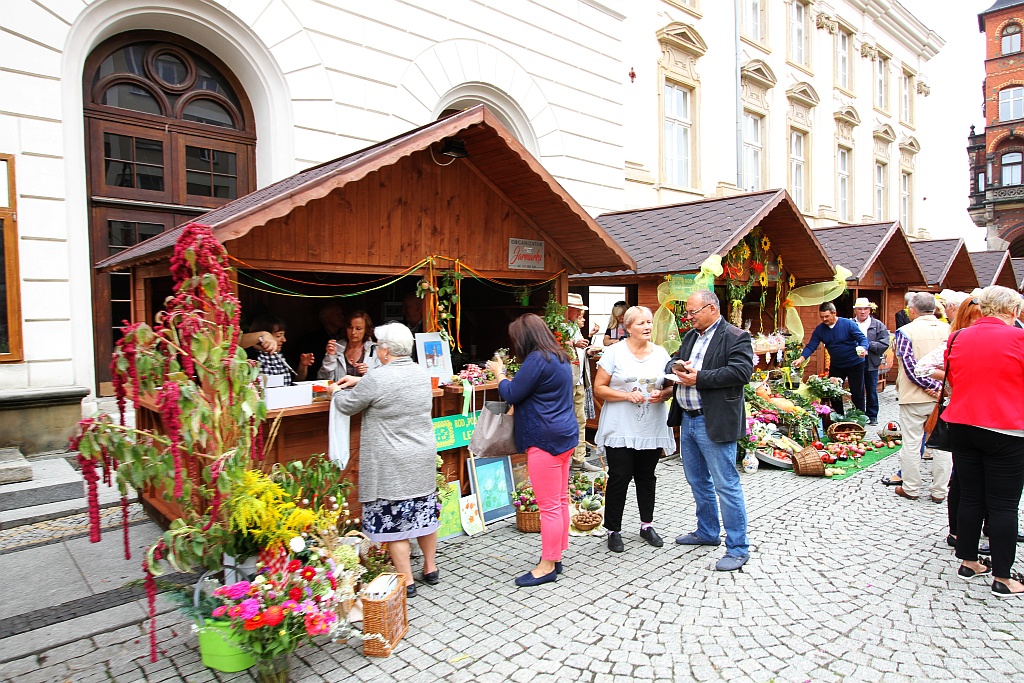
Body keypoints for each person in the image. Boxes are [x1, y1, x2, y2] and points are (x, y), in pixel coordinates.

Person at [329, 323, 439, 598]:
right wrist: (361, 382)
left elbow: (347, 405)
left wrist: (336, 390)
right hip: (421, 455)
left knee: (395, 525)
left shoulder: (378, 379)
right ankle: (430, 567)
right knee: (422, 513)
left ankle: (407, 581)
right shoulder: (420, 374)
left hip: (391, 462)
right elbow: (386, 388)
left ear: (386, 350)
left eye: (378, 346)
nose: (377, 350)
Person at [941, 286, 1024, 597]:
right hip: (1006, 427)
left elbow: (952, 379)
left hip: (963, 423)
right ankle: (1003, 577)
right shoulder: (1019, 338)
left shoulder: (958, 336)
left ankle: (969, 560)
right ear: (1013, 311)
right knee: (1003, 504)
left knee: (971, 495)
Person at [486, 314, 577, 587]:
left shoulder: (537, 359)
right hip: (564, 435)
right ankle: (556, 554)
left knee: (549, 506)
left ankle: (547, 565)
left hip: (544, 438)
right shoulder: (559, 356)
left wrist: (499, 373)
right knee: (559, 500)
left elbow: (511, 393)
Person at [666, 290, 754, 572]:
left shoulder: (735, 336)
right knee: (697, 481)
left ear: (712, 309)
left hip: (714, 421)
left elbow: (741, 372)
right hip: (689, 419)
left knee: (726, 485)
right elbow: (673, 359)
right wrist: (676, 367)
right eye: (687, 313)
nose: (688, 317)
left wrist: (699, 378)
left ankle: (738, 548)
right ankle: (707, 532)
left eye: (693, 312)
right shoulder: (692, 335)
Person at [592, 306, 676, 553]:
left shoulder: (661, 354)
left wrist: (665, 394)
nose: (647, 327)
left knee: (646, 476)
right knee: (619, 476)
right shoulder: (614, 353)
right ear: (627, 327)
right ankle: (613, 529)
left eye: (649, 322)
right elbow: (599, 388)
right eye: (641, 323)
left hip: (650, 425)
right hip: (620, 425)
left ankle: (646, 525)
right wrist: (626, 396)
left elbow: (672, 387)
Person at [889, 292, 950, 502]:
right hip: (943, 396)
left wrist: (929, 386)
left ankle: (911, 488)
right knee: (943, 445)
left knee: (912, 443)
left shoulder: (905, 331)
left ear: (912, 311)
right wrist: (939, 388)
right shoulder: (950, 330)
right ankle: (940, 492)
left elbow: (910, 367)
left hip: (914, 397)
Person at [792, 302, 869, 416]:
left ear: (834, 313)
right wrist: (801, 359)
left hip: (855, 364)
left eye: (827, 316)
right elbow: (811, 345)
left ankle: (860, 418)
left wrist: (863, 348)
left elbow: (862, 339)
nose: (824, 319)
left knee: (857, 393)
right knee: (834, 393)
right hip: (837, 365)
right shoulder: (820, 330)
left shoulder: (848, 324)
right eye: (821, 317)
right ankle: (838, 417)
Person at [566, 293, 601, 472]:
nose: (581, 313)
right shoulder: (561, 326)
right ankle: (566, 459)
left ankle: (578, 460)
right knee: (567, 420)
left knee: (580, 420)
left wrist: (587, 350)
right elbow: (557, 345)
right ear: (569, 309)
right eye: (578, 310)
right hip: (567, 382)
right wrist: (573, 343)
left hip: (579, 379)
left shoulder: (573, 327)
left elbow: (577, 350)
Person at [850, 298, 891, 426]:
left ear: (869, 310)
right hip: (854, 360)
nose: (862, 312)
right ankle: (859, 415)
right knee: (856, 389)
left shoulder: (878, 325)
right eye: (859, 309)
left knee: (871, 388)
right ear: (855, 310)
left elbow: (884, 343)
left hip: (871, 360)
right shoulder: (849, 323)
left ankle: (872, 416)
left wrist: (868, 346)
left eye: (865, 309)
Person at [246, 315, 311, 386]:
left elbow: (298, 379)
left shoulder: (283, 354)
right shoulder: (249, 355)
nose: (284, 340)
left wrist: (303, 365)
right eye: (278, 336)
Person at [317, 310, 379, 381]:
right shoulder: (337, 348)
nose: (353, 332)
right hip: (339, 391)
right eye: (350, 327)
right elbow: (323, 378)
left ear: (366, 330)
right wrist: (330, 358)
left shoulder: (374, 350)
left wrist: (368, 373)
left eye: (358, 329)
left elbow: (382, 380)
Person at [299, 302, 345, 379]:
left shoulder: (344, 336)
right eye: (338, 314)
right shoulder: (312, 339)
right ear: (326, 318)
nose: (342, 317)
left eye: (342, 314)